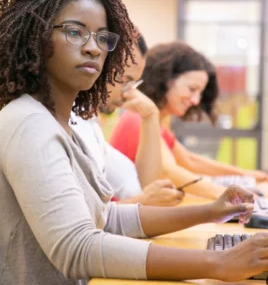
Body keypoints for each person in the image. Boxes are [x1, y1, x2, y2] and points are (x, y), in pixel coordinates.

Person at [0, 0, 268, 285]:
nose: (93, 47)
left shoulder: (60, 123)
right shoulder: (28, 124)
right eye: (74, 31)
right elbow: (77, 248)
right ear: (37, 37)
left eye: (102, 37)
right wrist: (219, 262)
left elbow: (105, 218)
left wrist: (209, 211)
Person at [110, 41, 268, 199]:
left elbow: (190, 160)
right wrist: (233, 195)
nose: (196, 100)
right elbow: (168, 171)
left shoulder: (156, 124)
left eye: (200, 93)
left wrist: (247, 175)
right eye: (192, 89)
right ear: (165, 80)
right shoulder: (138, 119)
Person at [72, 34, 184, 207]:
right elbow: (77, 218)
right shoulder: (70, 122)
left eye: (133, 84)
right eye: (125, 80)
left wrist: (150, 115)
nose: (127, 93)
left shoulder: (89, 124)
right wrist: (142, 200)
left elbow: (140, 188)